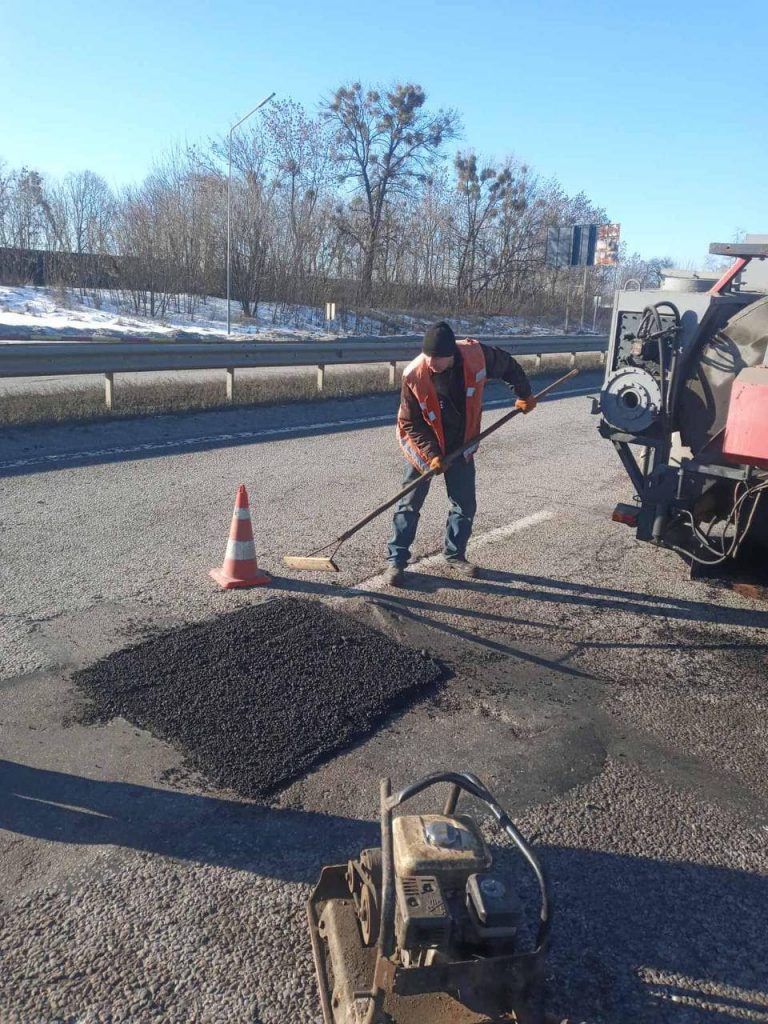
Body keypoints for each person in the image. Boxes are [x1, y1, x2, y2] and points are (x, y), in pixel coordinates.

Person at [386, 321, 536, 586]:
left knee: (464, 504)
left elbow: (509, 366)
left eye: (438, 359)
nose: (432, 364)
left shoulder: (477, 356)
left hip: (461, 442)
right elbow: (411, 423)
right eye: (428, 358)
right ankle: (396, 561)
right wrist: (432, 454)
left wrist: (524, 394)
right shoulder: (414, 375)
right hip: (424, 445)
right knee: (409, 503)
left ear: (451, 354)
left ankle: (455, 555)